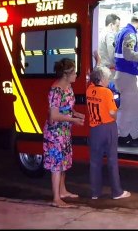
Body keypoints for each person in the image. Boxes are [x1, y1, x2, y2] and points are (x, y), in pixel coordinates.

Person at [43, 58, 85, 208]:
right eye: (74, 72)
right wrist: (73, 120)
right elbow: (54, 115)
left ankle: (62, 191)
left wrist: (77, 114)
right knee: (56, 164)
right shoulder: (56, 90)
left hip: (64, 131)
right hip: (55, 133)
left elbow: (67, 107)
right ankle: (56, 198)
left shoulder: (68, 87)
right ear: (66, 74)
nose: (76, 75)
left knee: (64, 162)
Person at [86, 66, 131, 200]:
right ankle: (117, 192)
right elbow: (112, 113)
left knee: (95, 162)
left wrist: (97, 60)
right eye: (106, 78)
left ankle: (95, 192)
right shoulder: (107, 92)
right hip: (108, 128)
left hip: (94, 129)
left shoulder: (89, 90)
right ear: (101, 79)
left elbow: (94, 75)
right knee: (112, 160)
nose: (108, 80)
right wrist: (116, 113)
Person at [114, 11, 138, 147]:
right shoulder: (130, 34)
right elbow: (129, 55)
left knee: (133, 107)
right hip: (126, 74)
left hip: (123, 74)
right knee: (129, 108)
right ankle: (124, 136)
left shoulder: (122, 32)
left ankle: (133, 135)